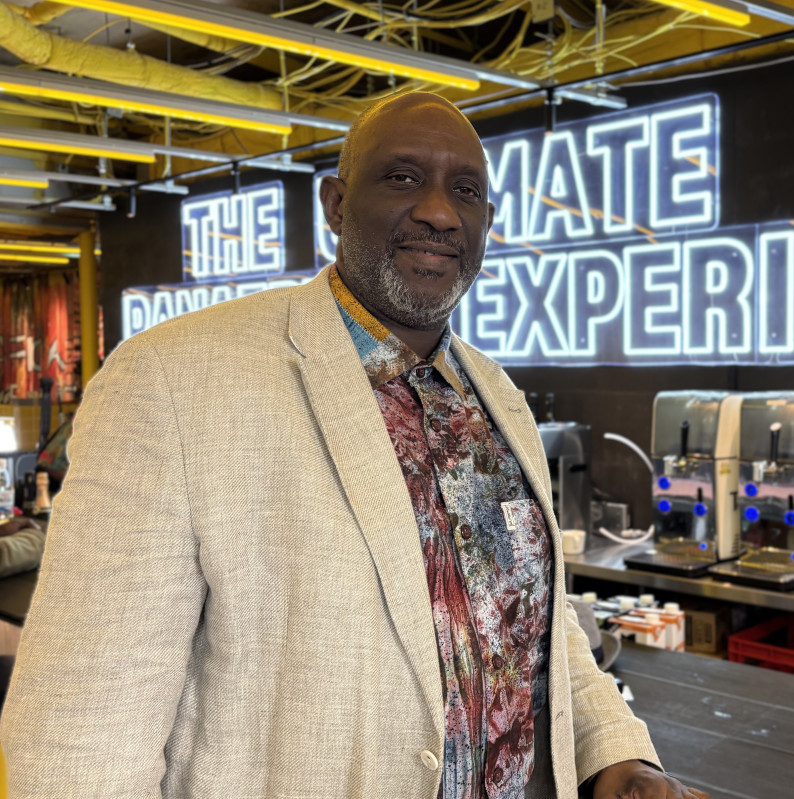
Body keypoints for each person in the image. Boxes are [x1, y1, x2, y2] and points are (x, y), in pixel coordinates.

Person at [0, 92, 709, 799]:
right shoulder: (173, 378)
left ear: (486, 223)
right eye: (403, 177)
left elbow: (531, 629)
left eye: (465, 191)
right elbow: (79, 738)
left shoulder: (497, 397)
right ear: (336, 204)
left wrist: (617, 755)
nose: (440, 212)